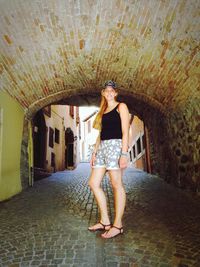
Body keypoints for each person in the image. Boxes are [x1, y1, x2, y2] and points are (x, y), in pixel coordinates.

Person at [88, 80, 130, 239]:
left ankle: (117, 225)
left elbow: (126, 131)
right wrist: (94, 151)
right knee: (93, 183)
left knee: (116, 185)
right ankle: (105, 221)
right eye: (107, 90)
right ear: (103, 93)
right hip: (102, 148)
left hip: (116, 147)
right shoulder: (102, 110)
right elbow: (100, 134)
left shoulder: (122, 107)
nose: (110, 92)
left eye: (112, 90)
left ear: (116, 93)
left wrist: (124, 154)